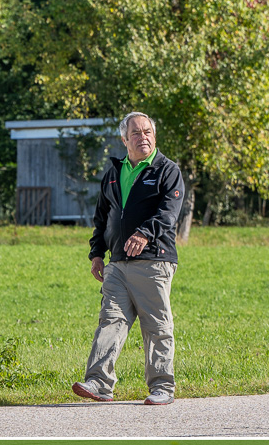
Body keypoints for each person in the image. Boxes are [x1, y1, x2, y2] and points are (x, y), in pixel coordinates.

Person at [72, 112, 185, 406]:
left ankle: (162, 386)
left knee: (156, 325)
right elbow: (102, 217)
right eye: (136, 133)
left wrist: (145, 233)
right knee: (110, 321)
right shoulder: (113, 173)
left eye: (147, 132)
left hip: (154, 260)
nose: (143, 137)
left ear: (154, 136)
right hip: (117, 263)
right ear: (124, 139)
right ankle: (99, 382)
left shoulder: (167, 170)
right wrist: (97, 253)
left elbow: (168, 213)